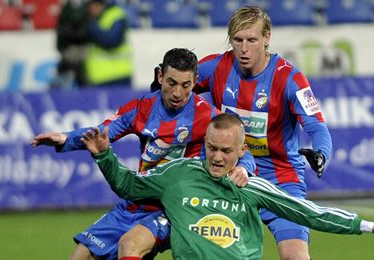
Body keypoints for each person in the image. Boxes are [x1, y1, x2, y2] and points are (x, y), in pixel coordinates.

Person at [81, 113, 374, 260]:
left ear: (242, 151)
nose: (216, 156)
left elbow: (309, 213)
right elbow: (128, 186)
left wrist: (370, 226)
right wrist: (104, 157)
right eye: (211, 147)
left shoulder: (252, 186)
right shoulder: (177, 174)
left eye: (226, 151)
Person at [31, 48, 254, 260]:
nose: (178, 93)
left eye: (186, 85)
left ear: (195, 81)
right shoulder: (141, 108)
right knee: (82, 254)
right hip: (137, 201)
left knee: (130, 244)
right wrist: (65, 138)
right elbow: (102, 134)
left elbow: (241, 149)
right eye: (172, 83)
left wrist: (244, 167)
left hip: (175, 206)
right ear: (160, 76)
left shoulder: (207, 115)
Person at [194, 6, 335, 260]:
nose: (244, 48)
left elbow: (316, 125)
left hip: (280, 181)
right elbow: (177, 88)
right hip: (228, 179)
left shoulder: (290, 78)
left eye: (252, 40)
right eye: (238, 40)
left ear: (267, 38)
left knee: (296, 256)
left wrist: (321, 154)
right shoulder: (215, 67)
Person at [84, 0, 133, 87]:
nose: (92, 9)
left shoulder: (116, 15)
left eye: (95, 5)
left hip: (118, 77)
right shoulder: (90, 19)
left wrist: (90, 26)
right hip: (96, 79)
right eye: (89, 6)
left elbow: (112, 41)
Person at [52, 0, 90, 89]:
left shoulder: (85, 8)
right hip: (69, 50)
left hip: (81, 50)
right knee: (61, 82)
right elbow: (61, 31)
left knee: (83, 81)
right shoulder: (66, 9)